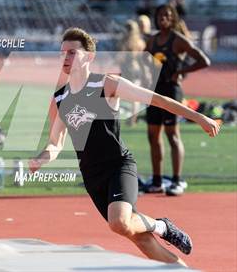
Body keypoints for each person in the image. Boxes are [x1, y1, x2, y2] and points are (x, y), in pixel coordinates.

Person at [29, 27, 220, 266]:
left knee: (119, 222)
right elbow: (55, 143)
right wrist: (41, 158)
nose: (65, 58)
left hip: (118, 165)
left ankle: (163, 226)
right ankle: (182, 269)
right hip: (92, 175)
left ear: (88, 57)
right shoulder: (59, 99)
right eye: (62, 53)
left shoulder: (107, 84)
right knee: (138, 237)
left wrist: (200, 117)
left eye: (72, 53)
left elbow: (158, 99)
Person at [145, 4, 210, 196]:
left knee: (172, 135)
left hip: (172, 91)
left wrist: (181, 72)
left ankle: (177, 180)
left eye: (166, 15)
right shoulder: (152, 41)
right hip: (155, 91)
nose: (162, 18)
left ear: (172, 18)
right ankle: (157, 181)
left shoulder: (177, 40)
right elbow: (148, 64)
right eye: (159, 15)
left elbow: (204, 61)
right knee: (153, 136)